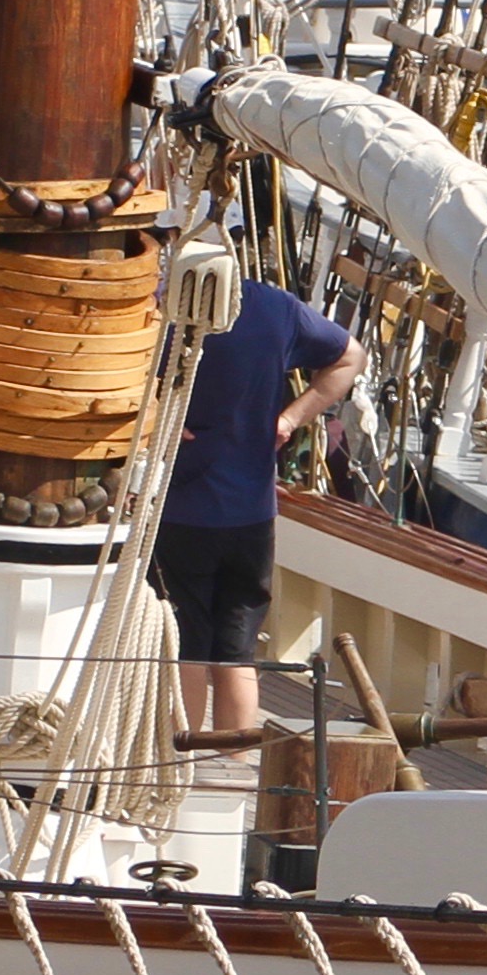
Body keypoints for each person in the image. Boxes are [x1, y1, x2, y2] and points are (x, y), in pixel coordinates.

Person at [152, 269, 356, 743]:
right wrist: (291, 418)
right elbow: (351, 356)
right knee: (236, 652)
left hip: (183, 508)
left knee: (185, 646)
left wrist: (159, 415)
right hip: (252, 513)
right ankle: (234, 763)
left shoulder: (163, 307)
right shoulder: (275, 308)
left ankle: (181, 762)